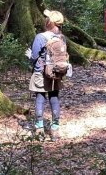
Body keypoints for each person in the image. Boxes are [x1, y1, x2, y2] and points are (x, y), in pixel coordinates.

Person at [25, 9, 69, 141]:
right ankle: (55, 129)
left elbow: (34, 57)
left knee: (40, 98)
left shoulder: (40, 37)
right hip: (56, 74)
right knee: (54, 98)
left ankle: (39, 130)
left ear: (49, 22)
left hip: (40, 73)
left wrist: (29, 56)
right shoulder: (62, 38)